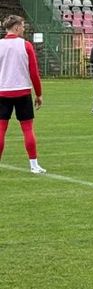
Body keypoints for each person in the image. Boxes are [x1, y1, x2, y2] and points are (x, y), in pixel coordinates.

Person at [0, 15, 47, 174]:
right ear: (16, 27)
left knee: (1, 129)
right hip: (22, 91)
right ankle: (33, 165)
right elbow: (34, 72)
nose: (24, 28)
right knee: (27, 128)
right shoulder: (26, 45)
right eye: (23, 25)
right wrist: (39, 94)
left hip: (3, 92)